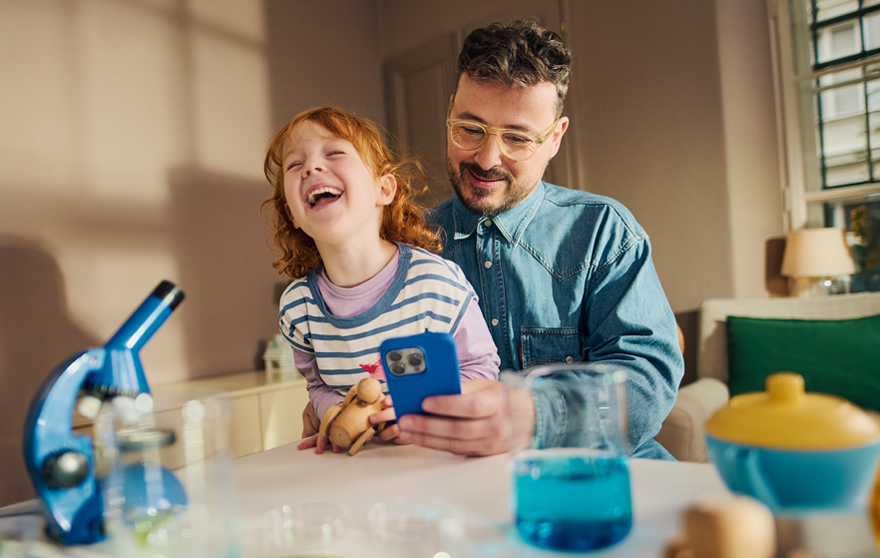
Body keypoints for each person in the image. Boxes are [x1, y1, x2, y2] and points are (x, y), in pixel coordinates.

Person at [372, 20, 684, 460]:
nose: (486, 158)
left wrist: (534, 415)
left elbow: (648, 383)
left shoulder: (603, 232)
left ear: (554, 139)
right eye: (470, 128)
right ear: (449, 113)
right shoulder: (405, 243)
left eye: (517, 138)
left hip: (598, 473)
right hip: (447, 484)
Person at [262, 106, 501, 454]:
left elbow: (481, 368)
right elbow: (317, 386)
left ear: (384, 189)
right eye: (295, 165)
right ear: (292, 215)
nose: (312, 167)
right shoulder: (297, 308)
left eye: (334, 153)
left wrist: (421, 415)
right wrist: (331, 411)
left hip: (433, 458)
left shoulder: (435, 283)